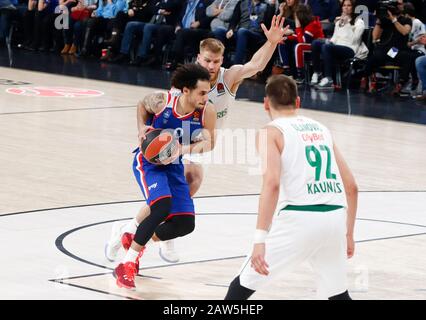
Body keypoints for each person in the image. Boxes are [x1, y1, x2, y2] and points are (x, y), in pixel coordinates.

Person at [105, 15, 288, 264]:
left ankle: (133, 229)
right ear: (198, 58)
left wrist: (272, 43)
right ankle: (142, 233)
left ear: (222, 61)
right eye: (207, 60)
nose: (212, 66)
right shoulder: (186, 85)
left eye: (216, 61)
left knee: (186, 190)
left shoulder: (229, 77)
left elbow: (255, 65)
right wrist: (147, 134)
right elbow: (156, 109)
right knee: (191, 179)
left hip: (203, 139)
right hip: (177, 140)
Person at [224, 75, 358, 300]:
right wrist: (349, 233)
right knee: (337, 295)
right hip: (335, 220)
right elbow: (352, 187)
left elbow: (272, 183)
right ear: (297, 102)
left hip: (299, 219)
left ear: (266, 103)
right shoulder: (322, 129)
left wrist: (259, 239)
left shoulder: (271, 131)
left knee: (241, 286)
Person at [113, 63, 217, 289]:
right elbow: (142, 104)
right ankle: (126, 264)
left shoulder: (206, 111)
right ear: (185, 90)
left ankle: (133, 238)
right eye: (201, 92)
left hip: (174, 164)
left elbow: (210, 143)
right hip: (149, 163)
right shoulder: (163, 101)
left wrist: (183, 150)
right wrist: (141, 128)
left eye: (208, 92)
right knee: (162, 206)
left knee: (184, 223)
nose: (205, 97)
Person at [310, 0, 369, 89]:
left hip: (350, 49)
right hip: (337, 47)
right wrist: (329, 41)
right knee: (316, 43)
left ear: (353, 8)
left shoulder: (359, 22)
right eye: (344, 5)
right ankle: (317, 72)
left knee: (327, 47)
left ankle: (328, 78)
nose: (346, 7)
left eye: (349, 5)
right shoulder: (339, 21)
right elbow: (335, 38)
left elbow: (354, 40)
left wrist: (348, 24)